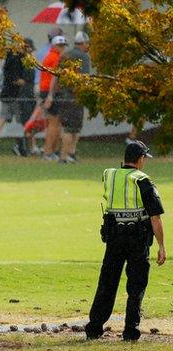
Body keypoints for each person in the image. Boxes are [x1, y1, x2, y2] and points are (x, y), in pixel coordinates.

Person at [85, 141, 166, 341]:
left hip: (114, 238)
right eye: (145, 158)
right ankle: (130, 331)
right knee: (136, 284)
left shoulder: (109, 175)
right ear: (140, 159)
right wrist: (162, 246)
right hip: (137, 239)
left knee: (107, 282)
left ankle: (94, 328)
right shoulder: (142, 180)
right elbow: (155, 217)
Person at [0, 38, 35, 154]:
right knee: (20, 121)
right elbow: (15, 78)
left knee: (2, 117)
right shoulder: (16, 59)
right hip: (15, 95)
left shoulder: (10, 57)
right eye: (29, 49)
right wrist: (26, 83)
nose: (30, 51)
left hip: (7, 93)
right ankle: (21, 146)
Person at [57, 32, 91, 164]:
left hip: (64, 96)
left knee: (71, 127)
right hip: (75, 97)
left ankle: (70, 154)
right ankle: (64, 157)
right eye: (87, 43)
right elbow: (83, 79)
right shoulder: (83, 57)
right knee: (71, 129)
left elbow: (58, 77)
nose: (88, 46)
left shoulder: (65, 55)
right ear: (83, 43)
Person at [40, 35, 69, 161]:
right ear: (54, 46)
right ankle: (48, 152)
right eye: (60, 45)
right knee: (54, 123)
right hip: (51, 92)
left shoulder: (49, 56)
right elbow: (54, 78)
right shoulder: (56, 58)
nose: (62, 48)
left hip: (46, 91)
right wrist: (50, 96)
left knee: (54, 123)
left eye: (63, 46)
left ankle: (52, 151)